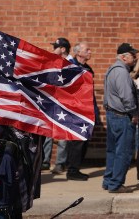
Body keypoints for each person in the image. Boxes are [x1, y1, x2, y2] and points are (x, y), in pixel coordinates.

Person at [102, 43, 139, 193]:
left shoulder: (112, 69)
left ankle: (108, 181)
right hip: (122, 116)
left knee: (112, 151)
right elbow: (127, 97)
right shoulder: (122, 73)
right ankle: (116, 184)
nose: (135, 58)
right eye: (132, 55)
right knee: (123, 152)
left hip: (112, 114)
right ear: (124, 57)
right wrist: (134, 113)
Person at [65, 42, 96, 181]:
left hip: (86, 109)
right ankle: (72, 171)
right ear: (78, 53)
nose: (90, 51)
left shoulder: (87, 68)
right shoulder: (71, 66)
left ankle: (75, 168)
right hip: (75, 109)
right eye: (87, 50)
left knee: (83, 141)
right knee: (76, 141)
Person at [42, 38, 72, 173]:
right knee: (48, 132)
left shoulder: (71, 64)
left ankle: (60, 163)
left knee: (62, 134)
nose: (53, 50)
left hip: (65, 103)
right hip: (52, 101)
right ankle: (45, 161)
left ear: (63, 49)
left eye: (56, 47)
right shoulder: (53, 62)